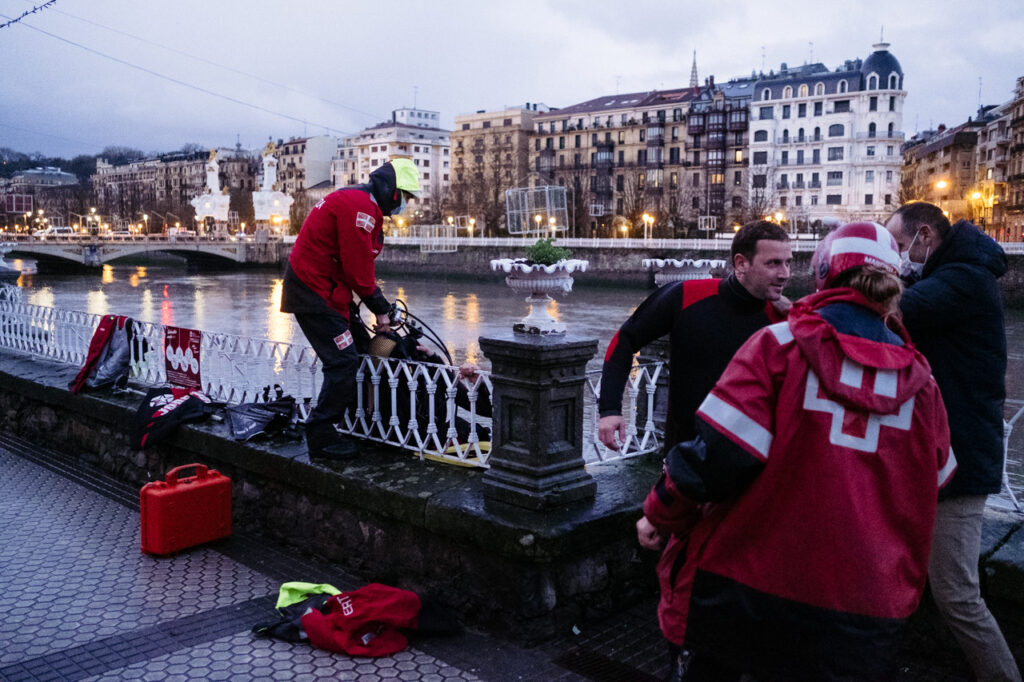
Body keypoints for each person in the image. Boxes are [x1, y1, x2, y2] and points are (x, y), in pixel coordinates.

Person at [640, 221, 956, 681]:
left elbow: (718, 455)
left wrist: (658, 513)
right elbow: (939, 482)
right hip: (865, 612)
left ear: (823, 273)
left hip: (750, 591)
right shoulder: (922, 384)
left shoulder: (778, 347)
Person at [885, 202, 1020, 682]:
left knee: (957, 594)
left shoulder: (964, 280)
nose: (899, 259)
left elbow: (893, 310)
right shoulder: (955, 272)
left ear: (924, 236)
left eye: (900, 247)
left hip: (959, 464)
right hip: (935, 455)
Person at [598, 220, 792, 454]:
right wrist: (609, 410)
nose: (784, 274)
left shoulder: (787, 320)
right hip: (685, 456)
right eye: (773, 263)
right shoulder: (687, 296)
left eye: (788, 263)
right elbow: (624, 340)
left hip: (754, 462)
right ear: (741, 263)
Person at [281, 158, 420, 461]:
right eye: (406, 198)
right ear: (393, 192)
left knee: (358, 349)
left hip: (324, 291)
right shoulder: (360, 210)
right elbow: (358, 269)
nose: (405, 205)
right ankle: (321, 436)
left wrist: (372, 306)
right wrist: (382, 310)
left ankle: (352, 420)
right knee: (343, 361)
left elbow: (352, 267)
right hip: (313, 292)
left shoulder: (359, 202)